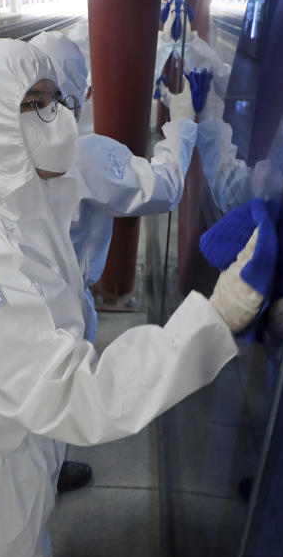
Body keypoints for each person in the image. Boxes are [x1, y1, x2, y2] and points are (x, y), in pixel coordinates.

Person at [0, 38, 263, 557]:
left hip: (22, 441)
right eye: (34, 105)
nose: (58, 119)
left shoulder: (26, 200)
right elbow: (76, 393)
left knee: (34, 544)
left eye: (56, 100)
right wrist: (213, 318)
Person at [30, 31, 195, 344]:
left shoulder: (2, 148)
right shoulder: (87, 157)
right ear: (84, 94)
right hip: (66, 313)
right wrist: (182, 124)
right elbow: (165, 188)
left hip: (16, 306)